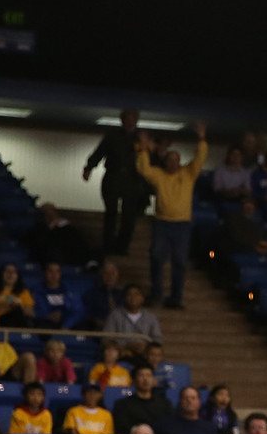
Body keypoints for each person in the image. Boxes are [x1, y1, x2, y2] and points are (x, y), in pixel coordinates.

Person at [135, 120, 206, 308]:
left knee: (180, 262)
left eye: (176, 160)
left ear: (180, 162)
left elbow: (199, 157)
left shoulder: (188, 174)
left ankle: (176, 298)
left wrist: (201, 139)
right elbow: (143, 169)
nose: (173, 163)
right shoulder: (159, 175)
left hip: (182, 224)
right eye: (169, 160)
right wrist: (143, 148)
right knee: (157, 258)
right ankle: (156, 292)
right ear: (165, 162)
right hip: (162, 223)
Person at [83, 108, 148, 256]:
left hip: (132, 179)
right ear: (122, 120)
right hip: (113, 176)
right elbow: (99, 152)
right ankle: (108, 245)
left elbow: (148, 158)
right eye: (128, 118)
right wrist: (89, 168)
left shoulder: (141, 137)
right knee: (110, 213)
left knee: (129, 216)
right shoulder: (112, 135)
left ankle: (122, 246)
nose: (131, 122)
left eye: (133, 118)